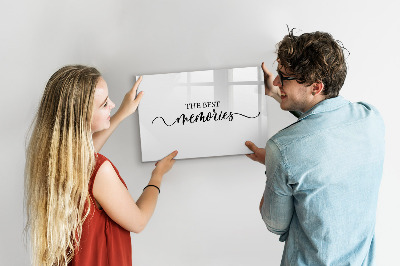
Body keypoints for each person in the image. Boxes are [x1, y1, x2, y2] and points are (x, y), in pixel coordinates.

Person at [245, 30, 385, 265]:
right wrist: (278, 94)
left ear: (316, 87)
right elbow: (325, 124)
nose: (277, 81)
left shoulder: (282, 149)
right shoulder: (371, 118)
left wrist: (273, 163)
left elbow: (275, 224)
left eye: (284, 77)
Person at [24, 65, 177, 266]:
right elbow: (138, 221)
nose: (112, 104)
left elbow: (86, 157)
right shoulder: (99, 170)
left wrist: (122, 113)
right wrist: (157, 175)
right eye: (105, 104)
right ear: (81, 117)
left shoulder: (53, 159)